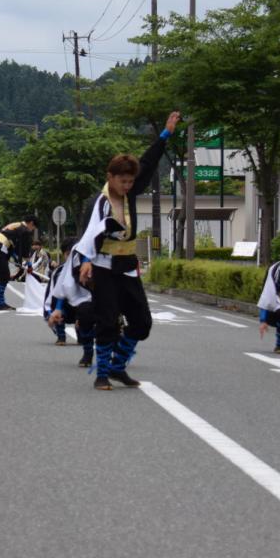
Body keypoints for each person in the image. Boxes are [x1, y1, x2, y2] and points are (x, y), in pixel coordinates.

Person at [75, 110, 180, 390]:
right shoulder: (99, 203)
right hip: (103, 267)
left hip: (128, 267)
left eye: (131, 181)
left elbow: (146, 162)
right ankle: (102, 373)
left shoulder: (131, 193)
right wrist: (85, 261)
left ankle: (118, 367)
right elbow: (87, 235)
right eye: (122, 181)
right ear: (110, 177)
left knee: (142, 323)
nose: (127, 185)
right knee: (107, 322)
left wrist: (165, 134)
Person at [45, 237, 97, 366]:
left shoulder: (115, 250)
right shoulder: (76, 255)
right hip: (79, 302)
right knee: (84, 316)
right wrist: (57, 308)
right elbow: (64, 285)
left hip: (107, 294)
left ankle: (117, 356)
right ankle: (87, 351)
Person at [0, 216, 38, 310]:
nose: (32, 230)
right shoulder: (24, 230)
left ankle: (0, 302)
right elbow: (25, 250)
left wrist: (16, 258)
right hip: (0, 248)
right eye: (33, 228)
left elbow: (13, 246)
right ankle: (0, 303)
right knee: (3, 275)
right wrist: (29, 265)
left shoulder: (17, 225)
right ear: (31, 223)